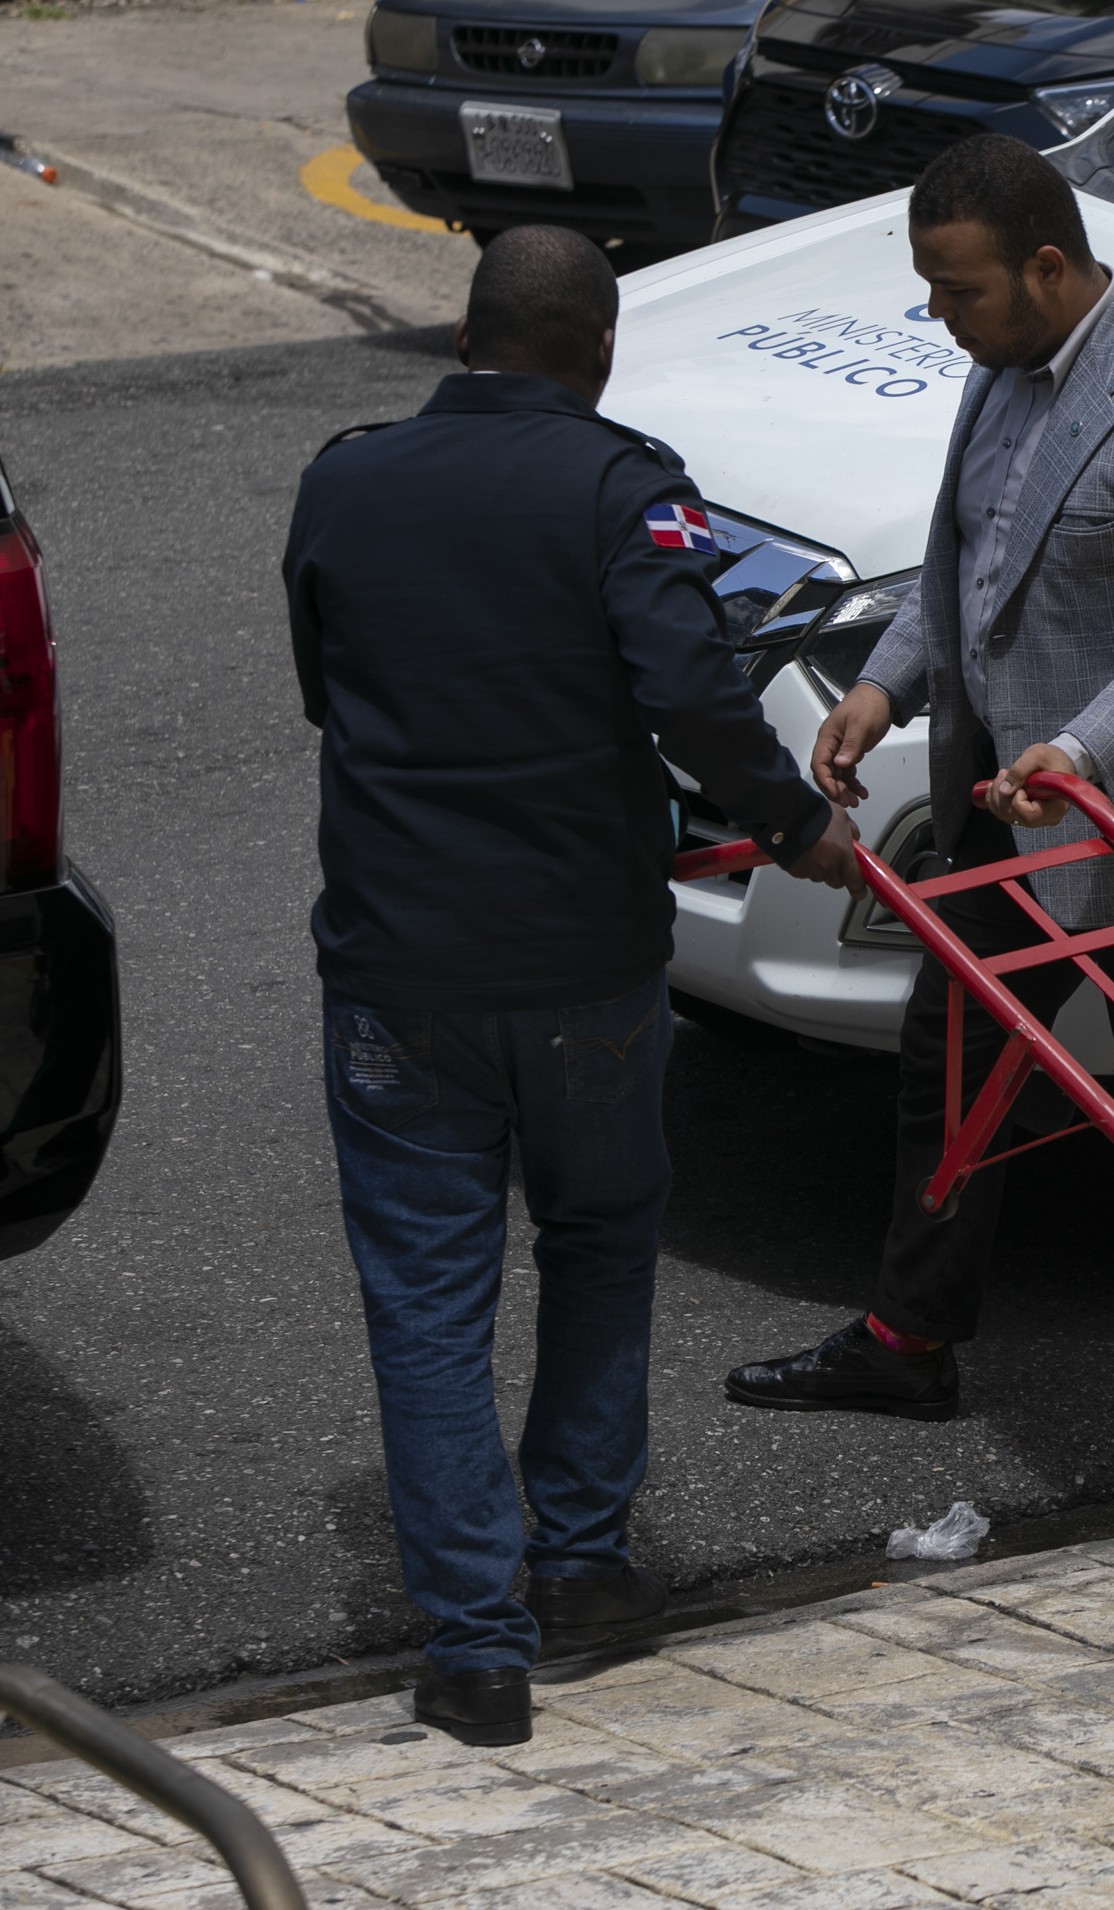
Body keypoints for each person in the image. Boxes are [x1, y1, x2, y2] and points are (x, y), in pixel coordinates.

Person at [284, 225, 861, 1748]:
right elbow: (692, 690)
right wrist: (796, 828)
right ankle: (586, 1564)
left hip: (401, 961)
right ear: (601, 353)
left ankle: (476, 1656)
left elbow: (325, 688)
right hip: (585, 963)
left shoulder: (345, 479)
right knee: (600, 1241)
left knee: (426, 1297)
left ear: (463, 336)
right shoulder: (626, 490)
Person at [722, 135, 1114, 1550]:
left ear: (1047, 268)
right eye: (933, 289)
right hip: (1011, 831)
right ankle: (910, 1341)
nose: (942, 317)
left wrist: (1084, 752)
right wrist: (884, 686)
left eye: (962, 290)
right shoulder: (1003, 364)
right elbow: (967, 565)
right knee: (950, 1071)